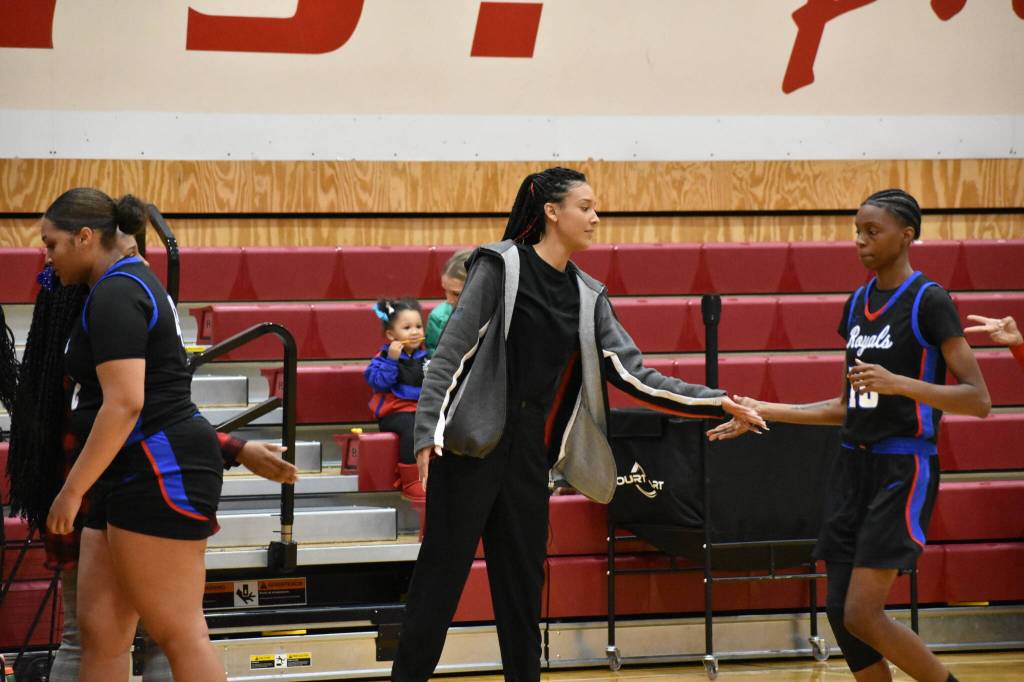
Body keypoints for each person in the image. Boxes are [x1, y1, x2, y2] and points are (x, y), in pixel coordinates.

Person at [391, 167, 765, 681]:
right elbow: (452, 355)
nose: (595, 217)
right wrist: (427, 435)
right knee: (437, 587)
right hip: (468, 452)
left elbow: (636, 376)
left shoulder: (588, 295)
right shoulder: (499, 266)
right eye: (585, 207)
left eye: (595, 208)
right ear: (551, 211)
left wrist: (717, 401)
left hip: (528, 458)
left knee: (523, 596)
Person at [708, 189, 990, 682]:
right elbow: (844, 407)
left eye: (872, 231)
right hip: (851, 467)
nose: (860, 240)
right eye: (857, 231)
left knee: (862, 612)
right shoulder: (857, 303)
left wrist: (900, 384)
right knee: (841, 612)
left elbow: (978, 399)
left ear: (907, 235)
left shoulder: (930, 301)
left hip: (901, 468)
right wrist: (764, 409)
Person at [6, 266, 297, 681]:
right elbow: (134, 419)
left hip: (116, 495)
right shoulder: (94, 349)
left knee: (150, 636)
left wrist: (235, 448)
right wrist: (232, 447)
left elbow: (146, 417)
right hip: (94, 498)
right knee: (127, 638)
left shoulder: (103, 327)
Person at [38, 187, 233, 682]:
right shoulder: (120, 285)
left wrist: (71, 490)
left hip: (158, 466)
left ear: (85, 237)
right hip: (127, 467)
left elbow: (126, 403)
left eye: (52, 244)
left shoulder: (118, 292)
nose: (48, 257)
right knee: (101, 632)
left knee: (178, 633)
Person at [364, 297, 428, 501]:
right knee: (412, 428)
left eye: (418, 326)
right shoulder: (383, 358)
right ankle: (410, 480)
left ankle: (434, 476)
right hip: (395, 413)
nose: (415, 332)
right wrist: (392, 360)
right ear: (391, 335)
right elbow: (379, 383)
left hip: (422, 410)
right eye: (407, 327)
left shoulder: (428, 357)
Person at [425, 249, 472, 355]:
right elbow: (433, 353)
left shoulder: (496, 314)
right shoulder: (438, 317)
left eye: (456, 293)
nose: (449, 300)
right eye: (445, 290)